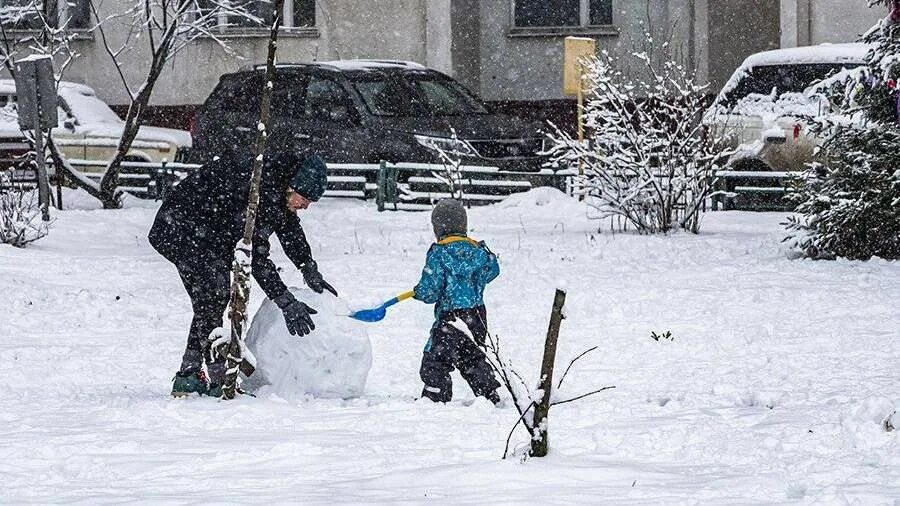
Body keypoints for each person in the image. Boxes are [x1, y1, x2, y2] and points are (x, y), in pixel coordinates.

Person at [148, 148, 336, 397]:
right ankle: (218, 380)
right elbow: (255, 256)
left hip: (207, 231)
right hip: (182, 228)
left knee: (211, 298)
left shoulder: (279, 185)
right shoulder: (260, 188)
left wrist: (307, 266)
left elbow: (288, 227)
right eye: (305, 199)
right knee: (213, 294)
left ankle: (189, 375)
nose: (306, 206)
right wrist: (286, 302)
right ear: (293, 185)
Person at [412, 199, 502, 404]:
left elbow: (430, 291)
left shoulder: (439, 253)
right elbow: (492, 271)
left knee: (436, 359)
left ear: (438, 228)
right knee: (472, 357)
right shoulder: (479, 252)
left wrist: (420, 292)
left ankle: (436, 394)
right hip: (476, 317)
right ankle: (489, 393)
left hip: (450, 319)